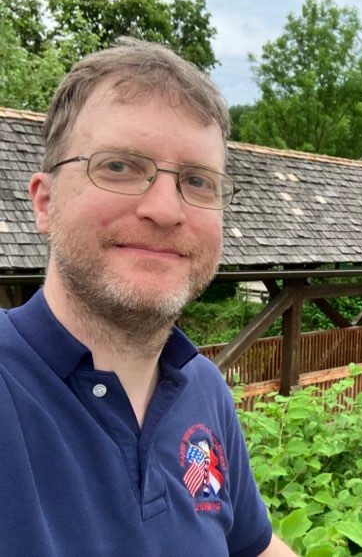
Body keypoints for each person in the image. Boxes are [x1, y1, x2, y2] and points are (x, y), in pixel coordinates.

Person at [0, 38, 294, 556]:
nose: (166, 209)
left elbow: (255, 547)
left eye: (198, 181)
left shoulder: (203, 388)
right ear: (45, 203)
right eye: (119, 166)